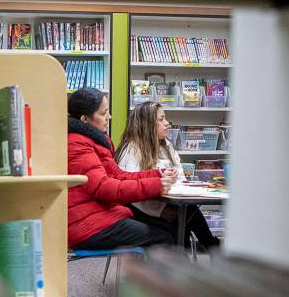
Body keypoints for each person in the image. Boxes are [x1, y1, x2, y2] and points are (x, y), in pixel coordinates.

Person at [67, 87, 175, 250]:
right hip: (86, 226)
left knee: (169, 230)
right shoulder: (77, 144)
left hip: (95, 216)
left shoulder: (94, 140)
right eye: (103, 114)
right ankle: (147, 276)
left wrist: (157, 174)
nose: (109, 117)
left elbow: (118, 175)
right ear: (85, 119)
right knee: (164, 238)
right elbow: (104, 187)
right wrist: (157, 185)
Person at [115, 101, 220, 250]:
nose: (167, 123)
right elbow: (130, 192)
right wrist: (161, 210)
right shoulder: (131, 149)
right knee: (180, 225)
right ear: (147, 124)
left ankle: (205, 249)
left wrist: (175, 178)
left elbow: (181, 178)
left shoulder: (166, 145)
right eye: (161, 119)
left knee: (188, 213)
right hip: (141, 212)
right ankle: (210, 248)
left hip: (170, 204)